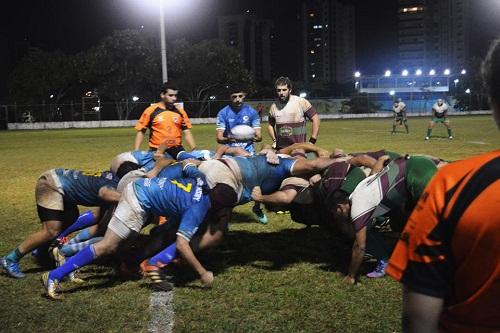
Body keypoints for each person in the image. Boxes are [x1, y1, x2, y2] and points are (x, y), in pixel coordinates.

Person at [386, 37, 500, 333]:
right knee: (425, 124)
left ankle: (441, 134)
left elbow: (418, 321)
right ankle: (426, 133)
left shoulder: (452, 185)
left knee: (441, 124)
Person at [41, 161, 229, 299]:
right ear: (220, 207)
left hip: (139, 189)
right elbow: (181, 244)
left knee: (116, 245)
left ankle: (68, 260)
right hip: (138, 201)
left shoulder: (202, 181)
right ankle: (54, 274)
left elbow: (188, 164)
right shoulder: (198, 209)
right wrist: (203, 272)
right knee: (108, 245)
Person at [0, 166, 133, 279]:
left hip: (62, 185)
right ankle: (10, 259)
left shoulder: (113, 177)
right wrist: (129, 198)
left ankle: (40, 251)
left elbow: (98, 217)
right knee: (50, 231)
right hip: (52, 185)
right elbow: (104, 193)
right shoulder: (115, 186)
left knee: (70, 219)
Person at [134, 82, 197, 160]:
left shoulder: (180, 111)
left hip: (177, 150)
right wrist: (136, 150)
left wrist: (194, 149)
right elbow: (141, 131)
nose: (174, 98)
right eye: (170, 95)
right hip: (157, 151)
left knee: (191, 165)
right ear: (162, 95)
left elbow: (187, 132)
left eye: (175, 95)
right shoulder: (150, 110)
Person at [268, 77, 320, 150]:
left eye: (284, 90)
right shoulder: (273, 107)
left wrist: (312, 141)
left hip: (298, 149)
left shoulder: (301, 102)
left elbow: (316, 118)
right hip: (281, 150)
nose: (281, 93)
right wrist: (274, 140)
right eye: (279, 90)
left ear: (290, 90)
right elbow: (270, 125)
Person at [213, 87, 262, 159]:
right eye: (234, 97)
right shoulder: (223, 113)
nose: (237, 99)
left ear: (244, 96)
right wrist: (231, 138)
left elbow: (259, 137)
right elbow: (219, 138)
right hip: (229, 150)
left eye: (240, 96)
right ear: (230, 97)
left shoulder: (252, 112)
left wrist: (246, 137)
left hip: (248, 150)